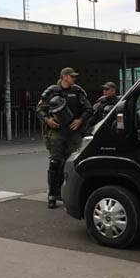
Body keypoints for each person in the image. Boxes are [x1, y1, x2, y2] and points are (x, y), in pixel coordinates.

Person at [37, 67, 92, 209]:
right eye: (72, 76)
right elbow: (40, 109)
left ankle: (66, 193)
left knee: (71, 163)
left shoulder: (78, 91)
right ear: (64, 77)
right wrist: (48, 120)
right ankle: (52, 194)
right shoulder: (52, 91)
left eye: (74, 76)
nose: (74, 78)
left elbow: (88, 109)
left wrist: (80, 120)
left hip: (73, 132)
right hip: (57, 131)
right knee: (55, 162)